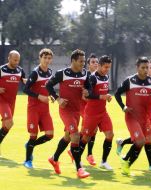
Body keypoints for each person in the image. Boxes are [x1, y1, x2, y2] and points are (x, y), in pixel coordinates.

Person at [46, 49, 90, 178]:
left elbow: (89, 87)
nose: (83, 63)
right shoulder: (62, 73)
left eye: (84, 61)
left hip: (77, 111)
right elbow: (48, 85)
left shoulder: (85, 74)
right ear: (73, 61)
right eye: (81, 61)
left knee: (68, 137)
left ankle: (54, 158)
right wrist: (57, 98)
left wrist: (87, 92)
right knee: (76, 136)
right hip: (65, 110)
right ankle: (79, 168)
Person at [116, 59, 151, 171]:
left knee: (145, 139)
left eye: (147, 68)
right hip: (132, 117)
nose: (145, 70)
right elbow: (117, 93)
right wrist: (123, 106)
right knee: (141, 141)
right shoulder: (129, 81)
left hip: (144, 117)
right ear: (137, 67)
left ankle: (126, 163)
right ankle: (128, 163)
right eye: (143, 68)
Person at [79, 55, 114, 170]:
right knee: (86, 138)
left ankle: (104, 162)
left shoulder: (106, 77)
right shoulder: (92, 78)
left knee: (110, 135)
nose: (107, 70)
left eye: (108, 67)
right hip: (91, 113)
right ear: (99, 65)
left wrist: (107, 97)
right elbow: (88, 94)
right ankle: (77, 159)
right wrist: (102, 96)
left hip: (103, 112)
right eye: (105, 67)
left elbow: (104, 91)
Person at [23, 48, 54, 168]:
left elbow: (49, 87)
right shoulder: (35, 72)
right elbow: (25, 89)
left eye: (49, 58)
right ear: (40, 58)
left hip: (45, 110)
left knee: (50, 135)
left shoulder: (50, 72)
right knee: (33, 135)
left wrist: (51, 95)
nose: (47, 60)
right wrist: (39, 96)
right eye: (44, 57)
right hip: (33, 108)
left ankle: (30, 145)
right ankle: (27, 161)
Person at [0, 50, 26, 155]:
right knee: (10, 123)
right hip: (2, 100)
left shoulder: (20, 70)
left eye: (18, 60)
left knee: (6, 126)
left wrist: (28, 81)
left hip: (12, 102)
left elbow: (25, 81)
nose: (16, 62)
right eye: (15, 60)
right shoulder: (1, 69)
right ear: (9, 58)